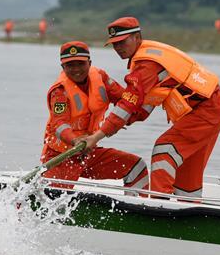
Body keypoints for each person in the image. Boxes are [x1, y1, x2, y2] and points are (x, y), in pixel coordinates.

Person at [75, 17, 220, 198]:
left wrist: (97, 136)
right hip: (211, 109)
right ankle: (188, 210)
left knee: (164, 150)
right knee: (187, 170)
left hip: (206, 111)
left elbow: (127, 105)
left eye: (122, 42)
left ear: (137, 37)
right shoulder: (149, 57)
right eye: (114, 44)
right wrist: (122, 118)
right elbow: (141, 109)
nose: (118, 48)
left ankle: (159, 205)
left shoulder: (146, 66)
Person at [42, 41, 148, 192]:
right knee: (55, 199)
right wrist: (75, 140)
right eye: (70, 65)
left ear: (89, 63)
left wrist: (127, 116)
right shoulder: (59, 91)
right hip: (61, 157)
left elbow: (124, 100)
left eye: (80, 64)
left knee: (137, 167)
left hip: (88, 153)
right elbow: (59, 124)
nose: (76, 69)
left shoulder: (101, 77)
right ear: (63, 67)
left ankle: (139, 209)